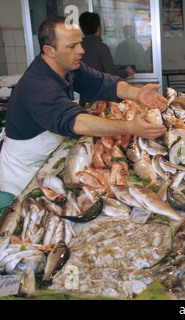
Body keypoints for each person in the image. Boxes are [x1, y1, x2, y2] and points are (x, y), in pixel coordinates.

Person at [0, 16, 167, 196]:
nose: (81, 50)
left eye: (80, 43)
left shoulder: (69, 67)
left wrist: (138, 93)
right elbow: (77, 122)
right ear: (49, 50)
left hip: (52, 159)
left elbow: (103, 83)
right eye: (72, 46)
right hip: (26, 171)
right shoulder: (38, 85)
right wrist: (130, 127)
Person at [79, 12, 135, 78]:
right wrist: (126, 72)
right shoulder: (101, 47)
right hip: (99, 87)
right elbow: (111, 73)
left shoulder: (79, 47)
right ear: (98, 29)